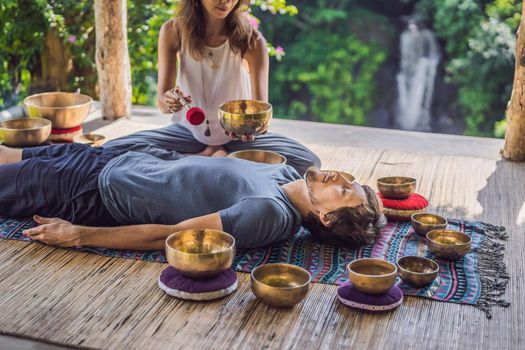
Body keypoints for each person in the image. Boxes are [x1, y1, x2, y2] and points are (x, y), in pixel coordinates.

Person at [0, 144, 385, 250]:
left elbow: (174, 235)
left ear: (327, 218)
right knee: (8, 153)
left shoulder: (270, 214)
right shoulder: (287, 174)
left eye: (345, 191)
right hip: (119, 159)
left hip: (93, 192)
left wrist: (80, 234)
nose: (342, 178)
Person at [102, 0, 321, 175]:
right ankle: (205, 160)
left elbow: (261, 112)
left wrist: (250, 129)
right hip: (187, 132)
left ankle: (206, 162)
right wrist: (170, 101)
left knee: (308, 163)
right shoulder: (173, 31)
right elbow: (161, 101)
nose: (226, 1)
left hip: (235, 139)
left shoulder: (252, 41)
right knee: (109, 151)